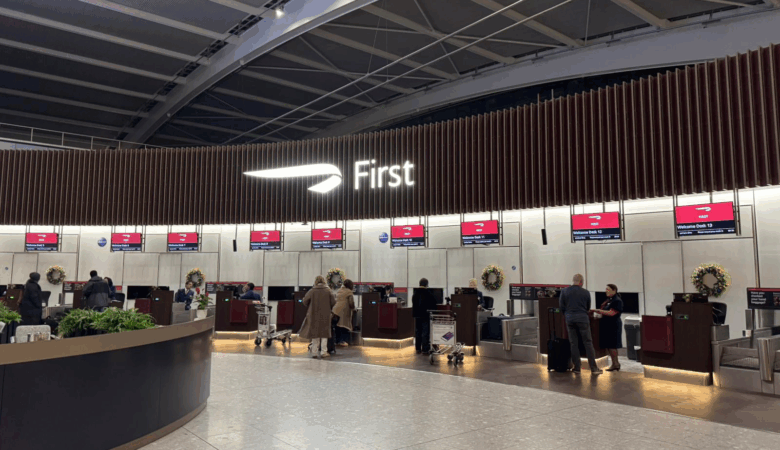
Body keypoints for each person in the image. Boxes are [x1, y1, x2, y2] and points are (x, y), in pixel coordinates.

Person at [559, 274, 602, 375]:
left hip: (569, 319)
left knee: (573, 343)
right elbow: (588, 307)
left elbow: (561, 306)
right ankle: (594, 368)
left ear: (573, 281)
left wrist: (567, 315)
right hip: (583, 318)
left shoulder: (564, 291)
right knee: (588, 342)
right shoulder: (585, 292)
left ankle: (577, 368)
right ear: (581, 282)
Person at [299, 275, 336, 359]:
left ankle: (314, 353)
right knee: (324, 333)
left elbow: (304, 301)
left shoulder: (312, 291)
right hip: (325, 315)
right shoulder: (328, 290)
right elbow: (334, 302)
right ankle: (323, 352)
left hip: (313, 315)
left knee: (315, 334)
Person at [591, 284, 624, 371]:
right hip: (607, 325)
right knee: (609, 345)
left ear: (614, 290)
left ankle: (616, 364)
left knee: (612, 345)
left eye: (608, 289)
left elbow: (611, 313)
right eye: (606, 289)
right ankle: (614, 364)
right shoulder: (609, 300)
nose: (606, 291)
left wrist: (598, 310)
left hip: (613, 325)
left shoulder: (617, 301)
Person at [412, 278, 437, 355]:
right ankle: (425, 349)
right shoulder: (428, 293)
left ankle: (418, 348)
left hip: (417, 315)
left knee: (418, 332)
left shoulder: (415, 293)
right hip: (425, 315)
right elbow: (433, 304)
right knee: (425, 332)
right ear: (427, 284)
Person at [333, 279, 356, 346]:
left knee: (337, 326)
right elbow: (351, 303)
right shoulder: (349, 292)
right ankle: (343, 341)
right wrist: (353, 308)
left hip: (335, 311)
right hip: (344, 311)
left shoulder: (339, 291)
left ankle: (337, 341)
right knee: (344, 326)